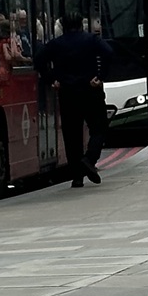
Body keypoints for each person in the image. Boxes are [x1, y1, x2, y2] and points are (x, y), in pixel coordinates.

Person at [37, 13, 112, 187]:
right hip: (90, 90)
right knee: (99, 127)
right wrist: (100, 76)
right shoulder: (91, 40)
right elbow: (109, 52)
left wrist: (51, 79)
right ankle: (90, 158)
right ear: (81, 25)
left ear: (63, 26)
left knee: (72, 134)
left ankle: (77, 177)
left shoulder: (56, 44)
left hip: (67, 92)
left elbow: (39, 59)